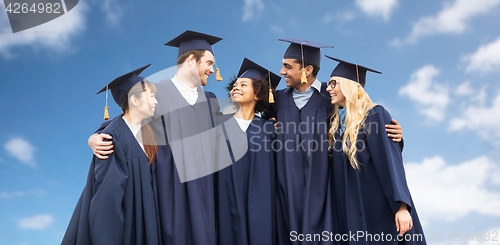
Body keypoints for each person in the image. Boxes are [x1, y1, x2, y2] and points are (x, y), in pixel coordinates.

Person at [87, 30, 228, 245]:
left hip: (204, 188)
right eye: (209, 62)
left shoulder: (210, 100)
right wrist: (97, 135)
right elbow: (128, 116)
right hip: (168, 185)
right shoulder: (158, 91)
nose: (213, 69)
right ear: (191, 60)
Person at [262, 38, 404, 244]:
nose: (281, 72)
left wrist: (396, 136)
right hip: (286, 188)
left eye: (287, 66)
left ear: (307, 70)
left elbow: (361, 121)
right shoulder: (278, 100)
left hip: (326, 188)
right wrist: (269, 126)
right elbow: (257, 124)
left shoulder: (329, 99)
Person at [325, 56, 426, 244]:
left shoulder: (374, 115)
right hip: (349, 212)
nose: (328, 88)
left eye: (333, 83)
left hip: (377, 208)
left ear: (349, 86)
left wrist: (401, 207)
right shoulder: (335, 124)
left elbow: (390, 161)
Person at [61, 64, 162, 245]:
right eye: (151, 96)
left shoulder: (146, 132)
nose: (156, 101)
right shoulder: (111, 138)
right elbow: (106, 204)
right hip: (126, 231)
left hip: (144, 224)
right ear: (134, 100)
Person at [217, 58, 280, 245]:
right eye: (234, 85)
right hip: (225, 202)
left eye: (243, 85)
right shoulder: (218, 124)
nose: (236, 88)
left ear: (258, 94)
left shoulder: (269, 129)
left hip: (261, 206)